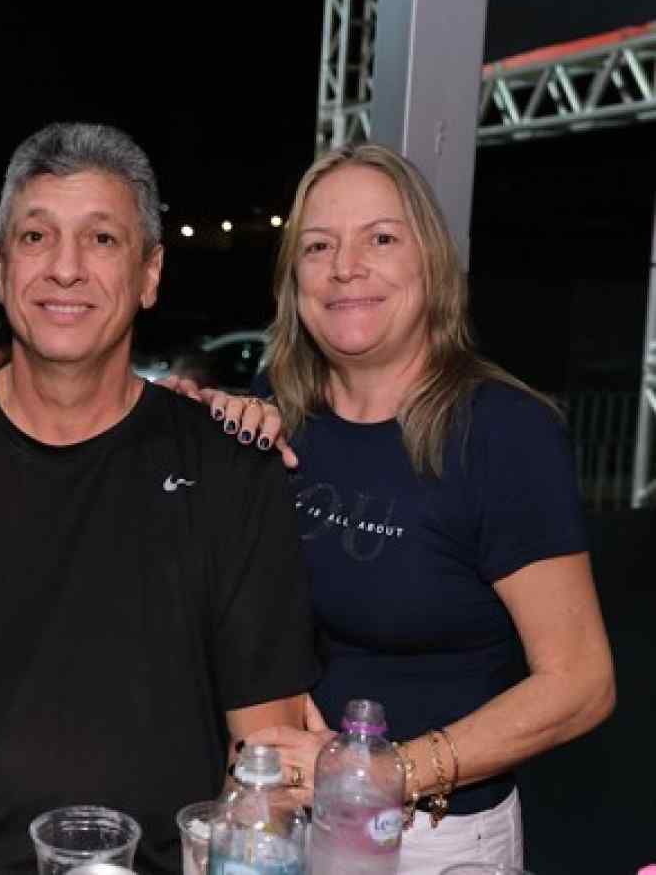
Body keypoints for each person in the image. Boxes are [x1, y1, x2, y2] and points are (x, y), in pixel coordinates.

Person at [0, 123, 319, 875]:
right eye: (36, 237)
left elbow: (267, 756)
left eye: (102, 239)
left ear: (150, 272)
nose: (65, 269)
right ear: (1, 265)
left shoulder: (234, 471)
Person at [242, 144, 615, 873]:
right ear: (294, 279)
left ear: (432, 265)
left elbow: (581, 682)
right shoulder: (277, 417)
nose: (345, 267)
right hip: (286, 815)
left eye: (381, 238)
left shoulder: (500, 433)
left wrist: (382, 774)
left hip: (431, 836)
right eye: (319, 246)